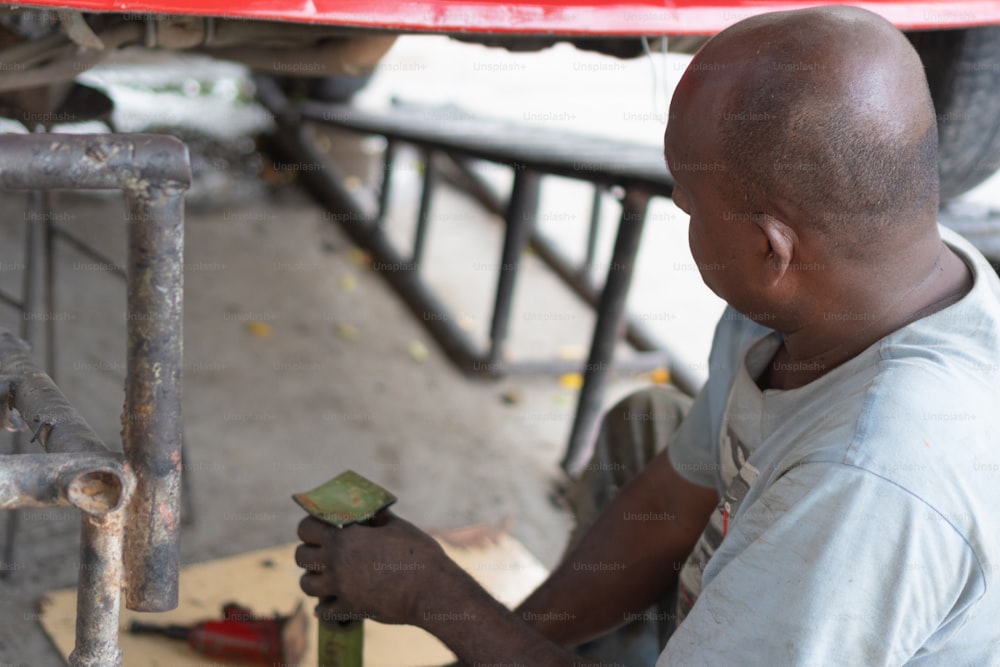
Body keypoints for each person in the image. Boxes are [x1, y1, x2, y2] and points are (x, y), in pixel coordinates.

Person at [295, 6, 1000, 664]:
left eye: (689, 201)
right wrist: (494, 638)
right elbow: (671, 505)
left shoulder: (871, 481)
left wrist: (436, 598)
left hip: (825, 553)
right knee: (646, 426)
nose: (676, 206)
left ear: (770, 250)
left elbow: (848, 494)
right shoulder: (849, 280)